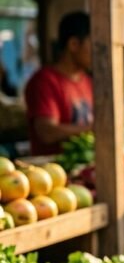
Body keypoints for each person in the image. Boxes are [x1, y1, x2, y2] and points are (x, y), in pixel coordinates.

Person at [24, 12, 95, 155]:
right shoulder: (44, 81)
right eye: (93, 44)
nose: (97, 51)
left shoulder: (88, 82)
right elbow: (47, 132)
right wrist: (94, 128)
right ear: (74, 44)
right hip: (52, 166)